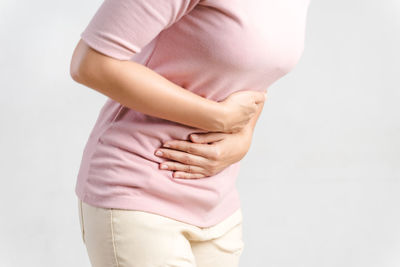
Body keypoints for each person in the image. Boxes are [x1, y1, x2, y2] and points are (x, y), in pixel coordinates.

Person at [70, 0, 311, 266]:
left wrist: (245, 137)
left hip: (218, 205)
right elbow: (91, 64)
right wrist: (218, 117)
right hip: (139, 188)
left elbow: (258, 70)